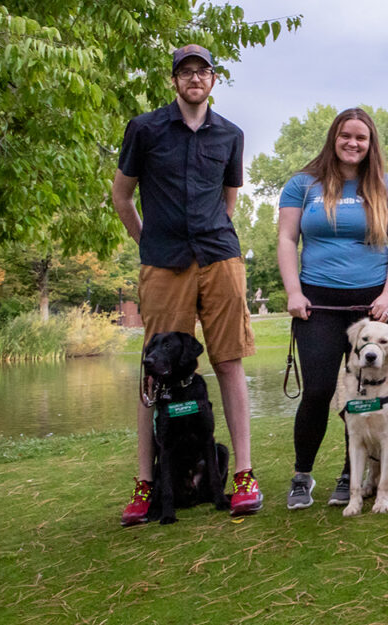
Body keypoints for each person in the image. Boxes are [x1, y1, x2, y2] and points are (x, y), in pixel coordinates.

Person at [111, 44, 263, 525]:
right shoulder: (145, 129)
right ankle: (145, 483)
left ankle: (243, 474)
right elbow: (121, 195)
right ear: (174, 80)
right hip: (164, 263)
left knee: (230, 362)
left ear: (213, 80)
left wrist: (212, 239)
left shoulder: (230, 135)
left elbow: (229, 198)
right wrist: (147, 242)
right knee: (153, 374)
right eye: (185, 72)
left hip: (220, 258)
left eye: (203, 71)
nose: (194, 78)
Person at [277, 107, 388, 510]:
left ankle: (351, 474)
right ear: (333, 139)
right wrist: (293, 291)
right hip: (315, 303)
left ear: (371, 144)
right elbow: (287, 239)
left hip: (373, 305)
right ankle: (302, 475)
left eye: (361, 137)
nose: (353, 143)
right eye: (345, 136)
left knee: (367, 393)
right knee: (319, 391)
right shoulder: (303, 185)